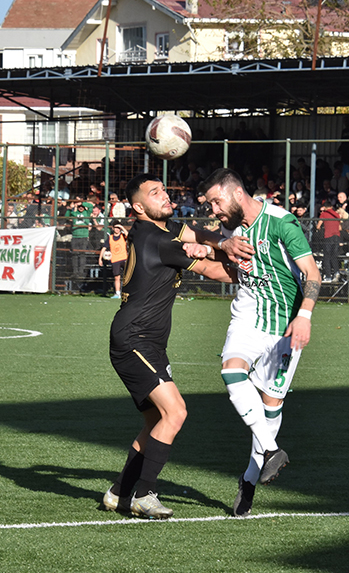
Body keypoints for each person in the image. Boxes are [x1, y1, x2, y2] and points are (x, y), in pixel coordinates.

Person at [102, 174, 235, 520]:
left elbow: (200, 234)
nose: (164, 195)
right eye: (154, 193)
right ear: (138, 207)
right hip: (135, 340)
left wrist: (221, 241)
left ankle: (119, 493)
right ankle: (144, 495)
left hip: (147, 342)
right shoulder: (157, 239)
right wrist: (252, 264)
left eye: (163, 190)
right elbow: (215, 271)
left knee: (155, 421)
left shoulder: (164, 231)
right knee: (175, 412)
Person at [198, 167, 320, 517]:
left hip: (285, 324)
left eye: (217, 202)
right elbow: (217, 247)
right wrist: (213, 246)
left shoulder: (283, 223)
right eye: (210, 204)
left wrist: (305, 316)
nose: (214, 210)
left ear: (237, 194)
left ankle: (250, 479)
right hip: (248, 316)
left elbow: (313, 274)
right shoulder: (229, 227)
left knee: (270, 408)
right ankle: (271, 450)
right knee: (231, 372)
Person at [98, 221, 128, 299]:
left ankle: (128, 292)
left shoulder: (123, 236)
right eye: (116, 228)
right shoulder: (110, 238)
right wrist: (100, 259)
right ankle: (117, 293)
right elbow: (104, 248)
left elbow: (128, 235)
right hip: (115, 260)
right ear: (113, 228)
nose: (117, 229)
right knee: (117, 277)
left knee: (127, 277)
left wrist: (122, 228)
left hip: (124, 259)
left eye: (119, 228)